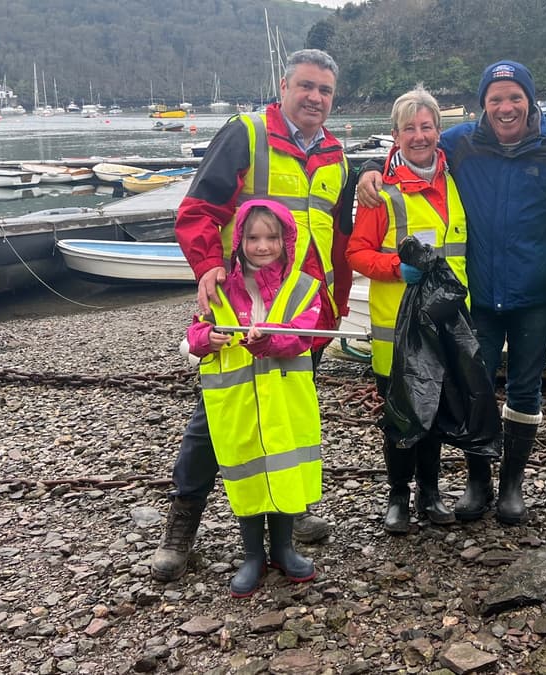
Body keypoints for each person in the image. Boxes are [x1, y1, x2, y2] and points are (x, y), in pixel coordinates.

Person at [152, 48, 351, 582]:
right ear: (283, 86)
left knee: (289, 413)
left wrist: (338, 303)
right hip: (239, 306)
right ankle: (181, 527)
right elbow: (197, 211)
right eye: (306, 86)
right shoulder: (246, 134)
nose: (314, 98)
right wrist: (207, 268)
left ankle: (287, 505)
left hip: (305, 312)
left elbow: (339, 238)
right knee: (213, 417)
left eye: (325, 91)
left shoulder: (338, 157)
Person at [357, 61, 546, 525]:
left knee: (524, 390)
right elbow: (408, 149)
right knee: (472, 388)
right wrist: (371, 168)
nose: (505, 106)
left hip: (534, 294)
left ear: (530, 100)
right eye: (495, 98)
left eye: (515, 96)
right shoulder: (462, 144)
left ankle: (512, 485)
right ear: (483, 106)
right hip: (477, 300)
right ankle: (479, 481)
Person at [185, 200, 322, 597]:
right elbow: (196, 333)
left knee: (282, 471)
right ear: (239, 240)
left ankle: (283, 549)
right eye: (254, 238)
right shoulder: (220, 286)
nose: (263, 246)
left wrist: (270, 341)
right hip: (238, 403)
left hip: (284, 400)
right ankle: (252, 556)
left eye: (272, 238)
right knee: (246, 474)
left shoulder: (302, 287)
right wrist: (205, 340)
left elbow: (303, 335)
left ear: (286, 240)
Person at [347, 86, 464, 534]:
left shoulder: (456, 182)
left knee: (433, 411)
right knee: (399, 414)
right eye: (409, 128)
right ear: (394, 136)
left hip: (443, 323)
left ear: (439, 131)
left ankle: (430, 493)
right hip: (395, 328)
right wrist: (396, 267)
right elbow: (357, 253)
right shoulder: (382, 193)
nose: (420, 136)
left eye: (427, 126)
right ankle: (398, 496)